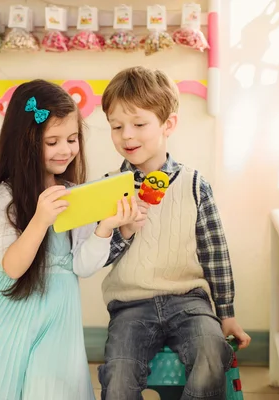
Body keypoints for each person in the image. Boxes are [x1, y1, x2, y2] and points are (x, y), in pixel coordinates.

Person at [0, 79, 141, 400]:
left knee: (50, 388)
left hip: (57, 316)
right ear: (25, 142)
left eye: (72, 139)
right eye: (52, 142)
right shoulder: (6, 196)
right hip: (11, 310)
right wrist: (40, 219)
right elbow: (12, 266)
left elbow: (81, 264)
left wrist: (106, 227)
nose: (65, 149)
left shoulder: (71, 192)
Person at [96, 66, 252, 400]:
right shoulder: (109, 187)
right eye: (116, 126)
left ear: (168, 124)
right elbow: (95, 257)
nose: (127, 136)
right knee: (119, 374)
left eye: (139, 124)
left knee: (212, 354)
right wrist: (122, 230)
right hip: (130, 306)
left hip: (189, 301)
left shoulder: (195, 185)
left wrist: (226, 314)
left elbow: (215, 252)